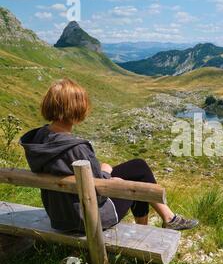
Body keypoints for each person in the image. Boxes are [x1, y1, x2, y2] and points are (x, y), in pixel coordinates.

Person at [20, 78, 199, 232]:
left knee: (138, 166)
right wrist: (109, 176)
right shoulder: (76, 148)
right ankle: (147, 231)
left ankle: (168, 218)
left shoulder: (38, 139)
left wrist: (105, 174)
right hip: (86, 218)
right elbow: (98, 194)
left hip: (60, 213)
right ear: (76, 109)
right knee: (136, 185)